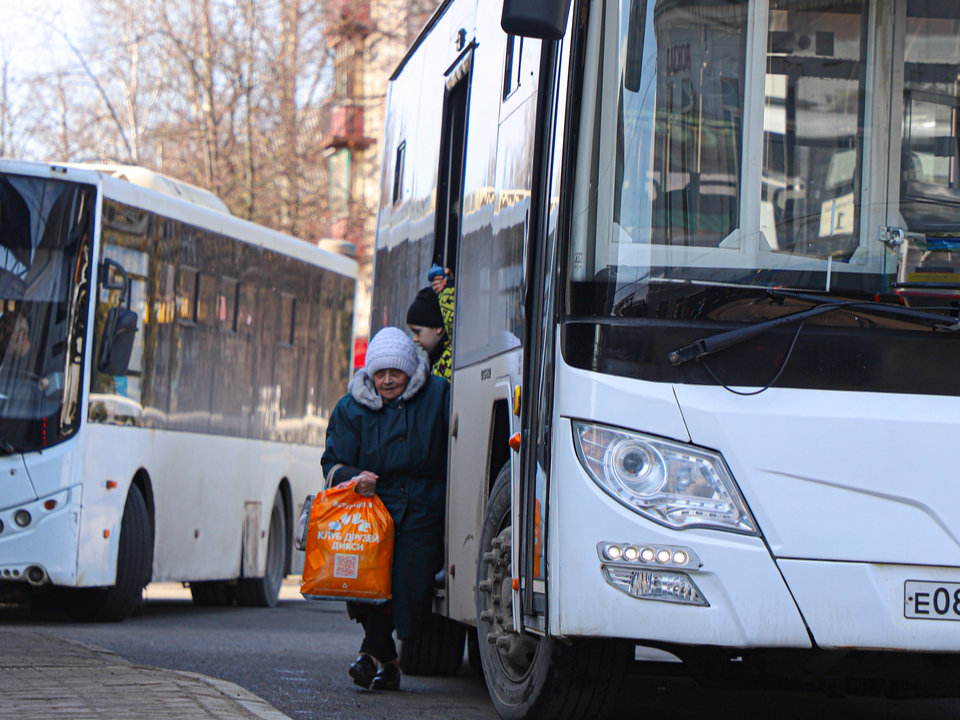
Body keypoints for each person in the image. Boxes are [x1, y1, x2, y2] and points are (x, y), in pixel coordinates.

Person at [321, 326, 450, 691]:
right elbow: (331, 463)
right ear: (370, 373)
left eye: (396, 372)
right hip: (369, 510)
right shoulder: (351, 407)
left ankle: (371, 656)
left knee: (406, 583)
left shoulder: (438, 395)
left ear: (410, 371)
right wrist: (354, 477)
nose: (388, 380)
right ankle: (381, 659)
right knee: (364, 580)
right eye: (381, 373)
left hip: (423, 506)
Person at [405, 266, 455, 380]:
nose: (415, 339)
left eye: (418, 332)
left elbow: (451, 320)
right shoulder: (438, 361)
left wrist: (447, 289)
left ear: (438, 327)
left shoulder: (455, 349)